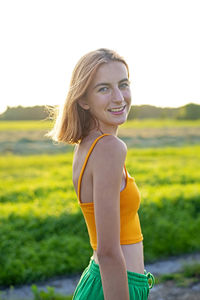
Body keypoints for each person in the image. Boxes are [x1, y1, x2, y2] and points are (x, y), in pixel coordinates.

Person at [47, 48, 154, 299]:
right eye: (104, 88)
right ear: (84, 100)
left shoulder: (89, 144)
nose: (119, 97)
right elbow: (107, 250)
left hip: (105, 281)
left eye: (123, 84)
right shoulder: (108, 148)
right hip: (115, 287)